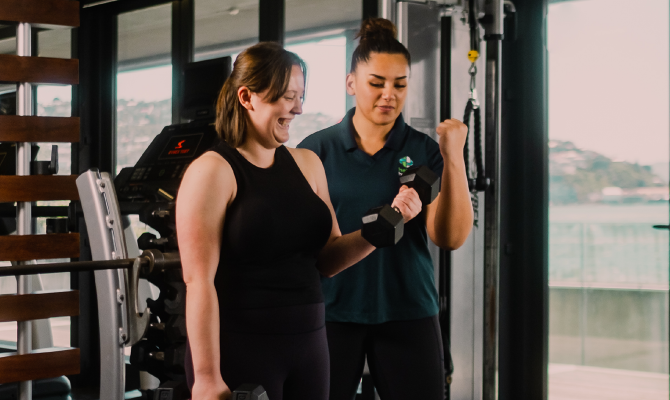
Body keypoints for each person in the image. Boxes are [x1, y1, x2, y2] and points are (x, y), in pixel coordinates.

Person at [176, 42, 421, 400]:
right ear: (247, 97)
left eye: (301, 96)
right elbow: (198, 282)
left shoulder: (308, 164)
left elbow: (329, 259)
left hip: (310, 347)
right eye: (288, 97)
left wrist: (385, 226)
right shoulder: (212, 171)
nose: (299, 108)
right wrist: (206, 377)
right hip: (241, 347)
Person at [297, 18, 473, 400]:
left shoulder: (424, 150)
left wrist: (454, 157)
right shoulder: (315, 151)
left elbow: (450, 237)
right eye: (376, 83)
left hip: (408, 310)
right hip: (331, 312)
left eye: (399, 84)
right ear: (351, 83)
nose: (388, 94)